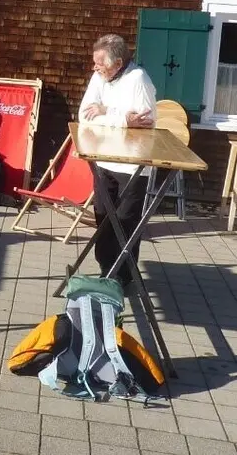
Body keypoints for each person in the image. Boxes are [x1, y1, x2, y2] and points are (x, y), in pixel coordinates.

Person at [77, 33, 157, 288]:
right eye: (95, 62)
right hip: (103, 158)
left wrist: (106, 111)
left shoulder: (138, 79)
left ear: (118, 63)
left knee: (125, 222)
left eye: (100, 63)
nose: (95, 67)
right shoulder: (98, 78)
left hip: (132, 163)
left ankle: (123, 277)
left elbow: (146, 122)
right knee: (103, 217)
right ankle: (105, 271)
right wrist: (121, 118)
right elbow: (84, 115)